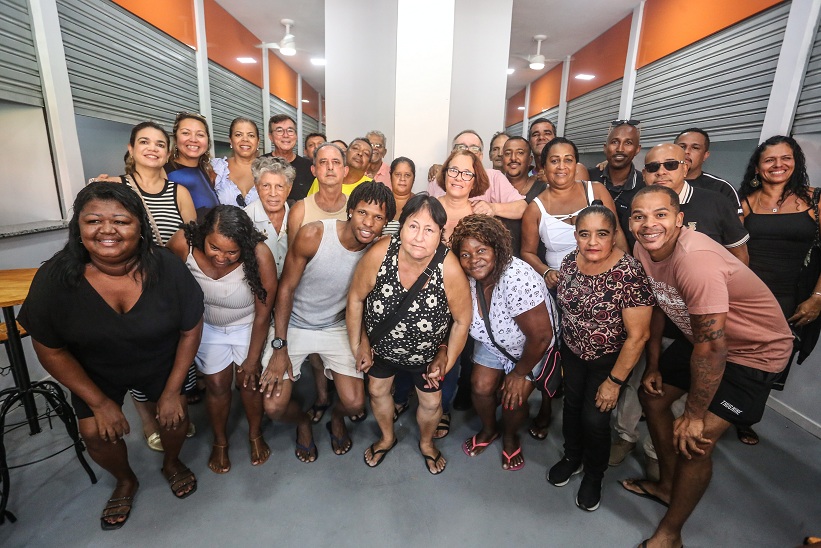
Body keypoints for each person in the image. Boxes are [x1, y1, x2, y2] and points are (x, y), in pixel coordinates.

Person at [18, 182, 204, 530]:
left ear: (140, 227)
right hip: (95, 369)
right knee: (95, 432)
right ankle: (125, 480)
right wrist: (100, 403)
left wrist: (171, 391)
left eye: (120, 221)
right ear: (78, 228)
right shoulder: (55, 278)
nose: (107, 230)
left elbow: (190, 329)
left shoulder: (167, 268)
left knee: (175, 417)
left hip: (159, 361)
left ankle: (172, 462)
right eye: (93, 221)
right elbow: (49, 347)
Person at [624, 185, 792, 548]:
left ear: (680, 220)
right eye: (639, 216)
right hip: (701, 339)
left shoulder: (695, 260)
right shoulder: (643, 246)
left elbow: (713, 348)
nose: (649, 224)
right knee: (652, 398)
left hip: (753, 351)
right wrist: (653, 364)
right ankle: (668, 486)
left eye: (660, 214)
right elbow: (657, 303)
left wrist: (696, 414)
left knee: (695, 441)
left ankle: (670, 535)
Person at [258, 183, 395, 460]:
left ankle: (335, 418)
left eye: (378, 217)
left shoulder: (378, 251)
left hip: (337, 325)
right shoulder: (315, 234)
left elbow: (369, 301)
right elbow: (286, 289)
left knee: (356, 403)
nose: (368, 223)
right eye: (362, 213)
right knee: (273, 407)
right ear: (350, 211)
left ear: (386, 223)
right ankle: (303, 422)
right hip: (294, 323)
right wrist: (279, 346)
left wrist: (364, 341)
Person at [347, 195, 471, 474]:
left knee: (431, 401)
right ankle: (387, 437)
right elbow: (356, 298)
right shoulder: (380, 253)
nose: (419, 237)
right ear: (400, 227)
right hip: (382, 349)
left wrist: (447, 361)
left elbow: (462, 321)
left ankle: (427, 443)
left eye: (429, 230)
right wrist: (359, 344)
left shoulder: (448, 267)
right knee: (377, 390)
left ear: (441, 234)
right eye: (413, 226)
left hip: (427, 356)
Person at [548, 204, 654, 511]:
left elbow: (639, 336)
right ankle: (572, 457)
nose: (592, 242)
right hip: (572, 351)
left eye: (602, 234)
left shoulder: (629, 273)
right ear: (576, 236)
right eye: (584, 234)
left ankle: (594, 475)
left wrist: (614, 382)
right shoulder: (570, 262)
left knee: (594, 419)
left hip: (608, 360)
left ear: (614, 235)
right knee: (571, 407)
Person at [100, 122, 198, 451]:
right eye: (144, 142)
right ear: (131, 148)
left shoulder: (178, 192)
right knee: (139, 354)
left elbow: (192, 238)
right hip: (130, 285)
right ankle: (147, 419)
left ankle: (174, 407)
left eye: (159, 144)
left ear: (169, 152)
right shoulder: (116, 187)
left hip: (170, 284)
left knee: (176, 350)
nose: (152, 148)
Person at [521, 136, 626, 441]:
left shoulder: (596, 191)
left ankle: (596, 418)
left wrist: (624, 276)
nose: (562, 166)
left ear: (577, 163)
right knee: (558, 353)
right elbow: (528, 252)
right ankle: (547, 408)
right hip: (561, 291)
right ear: (543, 167)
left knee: (600, 355)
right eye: (555, 160)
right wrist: (547, 271)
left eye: (568, 159)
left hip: (604, 287)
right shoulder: (536, 208)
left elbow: (617, 237)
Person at [167, 206, 277, 474]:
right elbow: (165, 282)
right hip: (206, 327)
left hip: (248, 325)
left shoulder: (260, 254)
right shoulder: (184, 243)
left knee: (248, 383)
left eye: (232, 252)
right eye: (215, 248)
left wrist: (252, 360)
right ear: (203, 236)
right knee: (216, 384)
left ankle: (254, 433)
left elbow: (263, 315)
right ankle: (220, 441)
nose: (222, 257)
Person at [452, 215, 557, 472]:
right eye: (465, 254)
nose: (473, 259)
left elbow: (541, 336)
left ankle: (510, 436)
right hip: (493, 342)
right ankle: (490, 430)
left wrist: (519, 374)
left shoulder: (516, 278)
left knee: (513, 399)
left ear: (496, 249)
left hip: (531, 347)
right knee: (479, 386)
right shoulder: (464, 278)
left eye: (481, 250)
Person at [740, 135, 821, 400]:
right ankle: (729, 410)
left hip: (790, 298)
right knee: (737, 357)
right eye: (770, 159)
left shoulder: (815, 201)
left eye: (786, 158)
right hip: (746, 297)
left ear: (796, 162)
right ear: (757, 167)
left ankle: (744, 418)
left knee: (771, 362)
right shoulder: (746, 202)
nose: (778, 164)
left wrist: (818, 297)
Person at [427, 130, 526, 222]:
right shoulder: (437, 177)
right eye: (461, 147)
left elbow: (522, 207)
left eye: (474, 148)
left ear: (481, 156)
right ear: (451, 153)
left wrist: (493, 208)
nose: (468, 151)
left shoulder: (494, 177)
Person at [587, 119, 645, 247]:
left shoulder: (644, 186)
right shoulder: (589, 177)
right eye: (614, 142)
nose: (620, 149)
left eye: (628, 143)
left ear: (637, 149)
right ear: (605, 147)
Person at [287, 143, 350, 244]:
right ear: (313, 170)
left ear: (345, 171)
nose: (330, 167)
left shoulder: (356, 208)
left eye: (336, 162)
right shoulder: (299, 211)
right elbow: (292, 257)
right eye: (323, 162)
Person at [165, 112, 219, 222]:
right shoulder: (163, 172)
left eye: (200, 135)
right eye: (186, 133)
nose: (193, 139)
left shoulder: (208, 171)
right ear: (175, 139)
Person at [244, 156, 293, 277]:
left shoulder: (297, 215)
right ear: (256, 187)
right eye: (266, 186)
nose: (273, 193)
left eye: (279, 186)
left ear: (289, 189)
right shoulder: (245, 218)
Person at [675, 128, 741, 215]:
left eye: (695, 148)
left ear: (705, 155)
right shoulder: (660, 183)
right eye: (682, 147)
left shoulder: (721, 188)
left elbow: (736, 226)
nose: (686, 151)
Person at [500, 136, 546, 257]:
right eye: (508, 153)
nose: (513, 158)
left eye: (520, 153)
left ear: (530, 159)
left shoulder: (543, 189)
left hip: (533, 264)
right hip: (496, 263)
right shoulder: (493, 188)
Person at [261, 114, 314, 202]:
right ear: (270, 136)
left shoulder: (309, 167)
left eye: (290, 130)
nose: (286, 135)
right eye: (279, 131)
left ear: (296, 135)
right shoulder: (261, 164)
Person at [212, 117, 260, 207]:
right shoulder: (217, 168)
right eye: (238, 135)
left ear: (258, 142)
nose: (245, 139)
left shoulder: (269, 170)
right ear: (230, 140)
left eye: (251, 135)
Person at [307, 137, 373, 196]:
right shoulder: (322, 179)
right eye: (355, 148)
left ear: (369, 165)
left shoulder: (371, 187)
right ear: (345, 153)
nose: (360, 153)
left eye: (366, 153)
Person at [383, 156, 416, 237]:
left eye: (407, 175)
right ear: (390, 177)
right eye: (398, 174)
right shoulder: (381, 201)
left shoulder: (420, 203)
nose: (402, 179)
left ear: (414, 178)